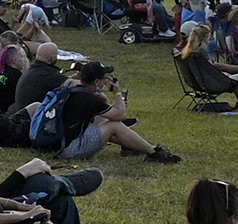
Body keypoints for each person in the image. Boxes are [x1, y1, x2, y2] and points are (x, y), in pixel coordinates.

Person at [36, 60, 181, 164]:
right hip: (70, 150)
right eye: (106, 78)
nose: (108, 81)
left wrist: (104, 100)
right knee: (114, 126)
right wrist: (117, 94)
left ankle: (132, 146)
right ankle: (153, 152)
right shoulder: (87, 98)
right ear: (97, 82)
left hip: (59, 144)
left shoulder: (75, 92)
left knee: (103, 120)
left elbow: (102, 114)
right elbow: (120, 116)